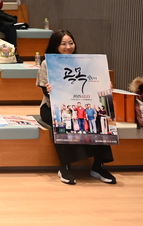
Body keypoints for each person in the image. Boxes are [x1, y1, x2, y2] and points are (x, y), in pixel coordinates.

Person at [37, 30, 116, 185]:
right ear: (55, 46)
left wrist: (105, 86)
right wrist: (49, 90)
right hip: (52, 106)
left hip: (83, 104)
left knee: (100, 120)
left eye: (71, 43)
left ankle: (98, 166)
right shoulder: (47, 63)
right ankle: (65, 166)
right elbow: (45, 92)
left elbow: (94, 85)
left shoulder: (85, 62)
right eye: (63, 44)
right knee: (63, 121)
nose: (68, 47)